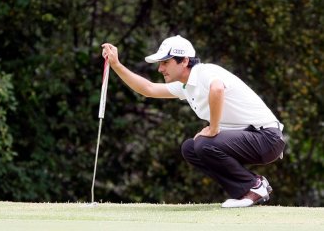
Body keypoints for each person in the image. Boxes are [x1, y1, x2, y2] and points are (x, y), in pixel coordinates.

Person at [101, 35, 285, 208]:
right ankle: (247, 189)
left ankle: (254, 186)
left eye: (165, 62)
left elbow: (217, 89)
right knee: (190, 148)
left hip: (267, 138)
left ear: (185, 61)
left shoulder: (204, 72)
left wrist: (213, 129)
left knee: (204, 144)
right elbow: (148, 89)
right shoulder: (186, 85)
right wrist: (116, 65)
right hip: (255, 138)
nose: (160, 68)